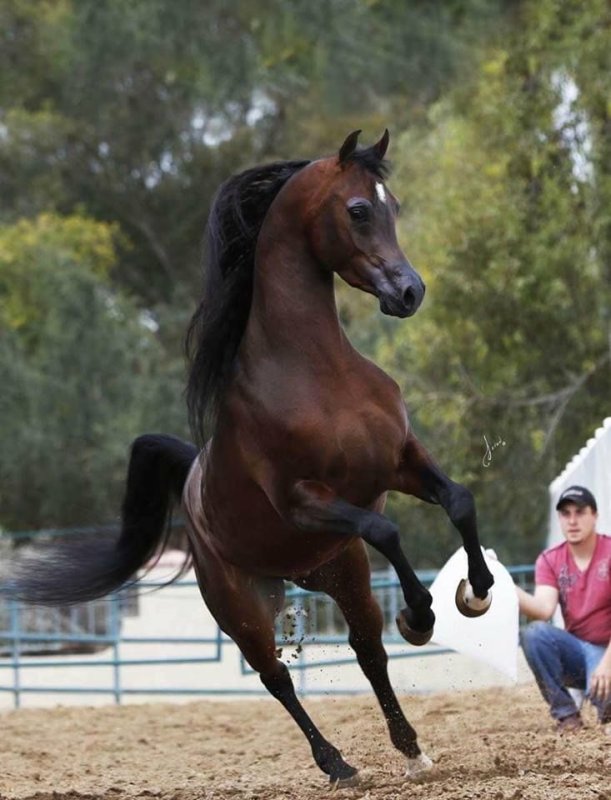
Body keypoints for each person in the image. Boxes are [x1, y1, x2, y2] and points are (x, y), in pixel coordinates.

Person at [516, 485, 611, 733]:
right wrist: (503, 586)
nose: (572, 521)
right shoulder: (550, 559)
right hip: (577, 651)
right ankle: (567, 716)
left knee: (607, 708)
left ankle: (604, 704)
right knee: (533, 633)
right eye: (565, 513)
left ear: (595, 515)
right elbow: (543, 609)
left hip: (608, 651)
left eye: (580, 512)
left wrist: (607, 664)